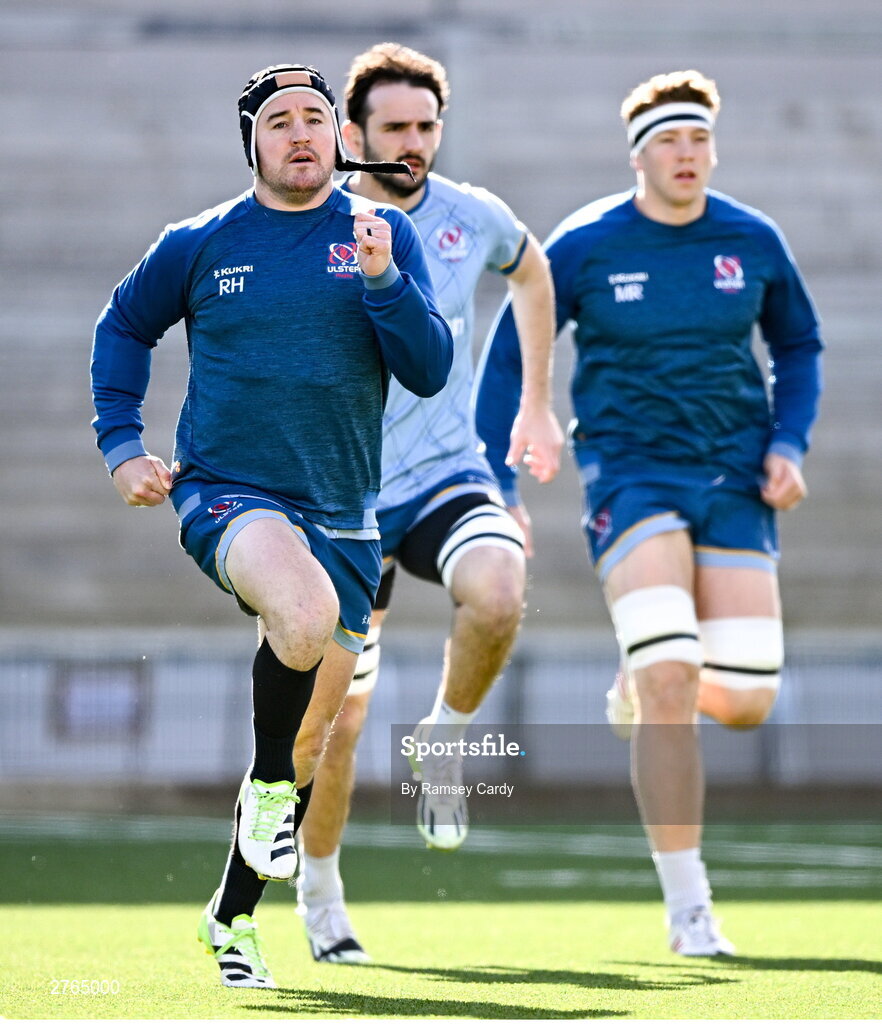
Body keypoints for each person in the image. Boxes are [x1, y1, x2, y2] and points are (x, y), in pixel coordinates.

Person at [90, 62, 453, 988]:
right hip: (225, 490)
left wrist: (382, 281)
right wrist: (123, 443)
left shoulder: (385, 235)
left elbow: (430, 367)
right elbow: (125, 325)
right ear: (251, 141)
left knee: (304, 746)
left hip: (346, 512)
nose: (301, 133)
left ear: (340, 137)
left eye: (317, 119)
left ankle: (231, 919)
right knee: (297, 617)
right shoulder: (202, 240)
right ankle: (265, 800)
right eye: (280, 120)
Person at [476, 69, 823, 956]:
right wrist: (504, 480)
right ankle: (690, 908)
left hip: (737, 480)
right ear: (639, 156)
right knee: (675, 676)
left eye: (700, 139)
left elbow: (797, 343)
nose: (688, 155)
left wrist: (789, 443)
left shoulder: (752, 238)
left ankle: (643, 677)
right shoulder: (587, 243)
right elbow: (513, 356)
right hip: (631, 476)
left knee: (745, 701)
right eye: (670, 141)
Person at [293, 42, 563, 964]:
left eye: (427, 125)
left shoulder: (471, 215)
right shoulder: (314, 223)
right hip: (342, 496)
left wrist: (533, 402)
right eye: (395, 127)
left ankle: (443, 743)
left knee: (498, 587)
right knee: (338, 721)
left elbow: (532, 272)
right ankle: (322, 895)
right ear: (356, 135)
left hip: (449, 472)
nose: (414, 142)